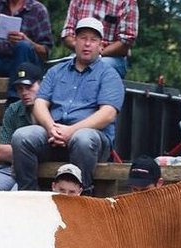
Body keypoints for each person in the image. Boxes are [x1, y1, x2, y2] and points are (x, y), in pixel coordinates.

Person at [8, 17, 122, 193]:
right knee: (22, 136)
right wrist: (51, 127)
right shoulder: (55, 71)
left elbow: (107, 114)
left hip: (91, 142)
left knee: (82, 138)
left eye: (93, 40)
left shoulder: (109, 74)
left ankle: (83, 195)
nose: (87, 44)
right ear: (75, 42)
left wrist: (71, 131)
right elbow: (39, 103)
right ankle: (28, 195)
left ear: (101, 46)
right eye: (83, 38)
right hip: (54, 135)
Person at [0, 60, 42, 191]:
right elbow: (0, 151)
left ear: (41, 85)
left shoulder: (52, 108)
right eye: (20, 89)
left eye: (29, 87)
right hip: (9, 169)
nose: (24, 92)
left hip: (42, 171)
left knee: (17, 195)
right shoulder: (14, 109)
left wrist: (20, 153)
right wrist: (28, 154)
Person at [60, 0, 137, 79]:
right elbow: (67, 34)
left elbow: (126, 41)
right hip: (79, 55)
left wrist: (96, 52)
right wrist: (84, 49)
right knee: (60, 68)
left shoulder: (127, 1)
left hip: (112, 57)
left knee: (96, 68)